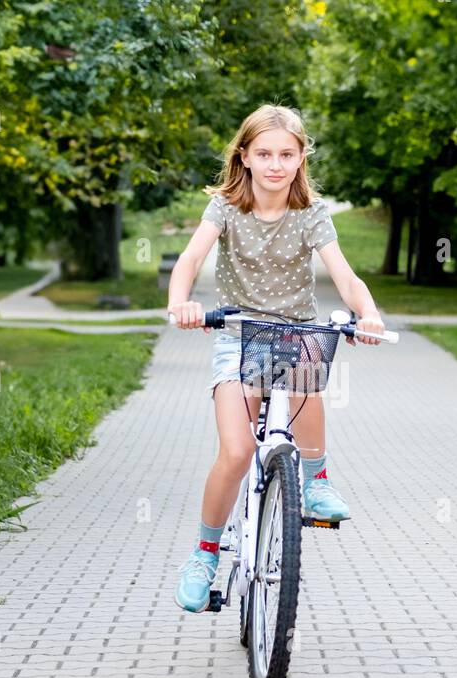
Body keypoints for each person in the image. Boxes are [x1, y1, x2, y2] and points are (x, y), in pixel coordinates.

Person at [165, 104, 387, 613]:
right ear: (244, 156)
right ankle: (204, 555)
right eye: (264, 153)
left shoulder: (311, 214)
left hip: (295, 331)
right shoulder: (225, 207)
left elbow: (345, 275)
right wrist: (182, 302)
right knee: (238, 451)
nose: (275, 164)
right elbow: (191, 259)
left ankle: (316, 481)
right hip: (239, 334)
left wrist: (368, 312)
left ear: (301, 157)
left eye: (287, 154)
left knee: (310, 368)